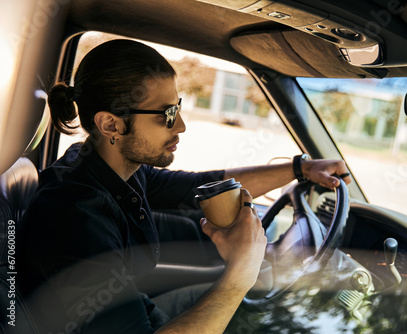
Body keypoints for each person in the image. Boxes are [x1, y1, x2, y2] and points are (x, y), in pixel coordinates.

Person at [17, 39, 351, 333]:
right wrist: (241, 273)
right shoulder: (75, 219)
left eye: (178, 107)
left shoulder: (111, 168)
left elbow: (201, 187)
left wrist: (300, 168)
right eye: (167, 114)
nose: (182, 125)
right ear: (111, 124)